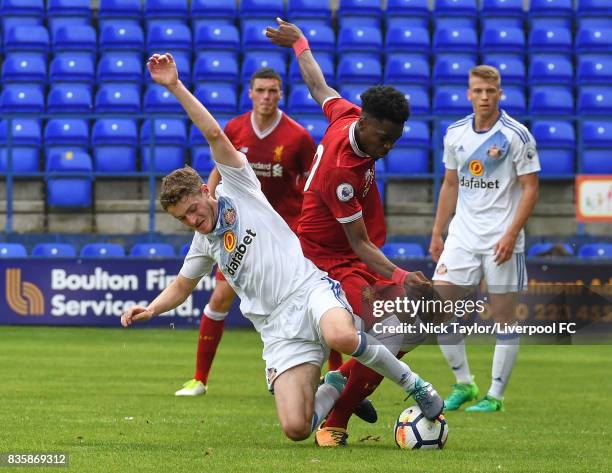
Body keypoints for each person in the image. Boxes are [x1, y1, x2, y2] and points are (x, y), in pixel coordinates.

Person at [121, 53, 443, 443]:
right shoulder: (203, 242)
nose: (192, 220)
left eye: (192, 210)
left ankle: (417, 386)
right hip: (276, 329)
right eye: (182, 220)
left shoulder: (238, 186)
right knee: (296, 429)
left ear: (206, 190)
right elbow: (181, 287)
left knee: (343, 337)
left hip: (309, 289)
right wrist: (151, 308)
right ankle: (337, 384)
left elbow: (213, 135)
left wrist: (174, 86)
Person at [266, 19, 443, 446]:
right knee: (394, 326)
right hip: (325, 261)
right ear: (366, 124)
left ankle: (342, 380)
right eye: (384, 138)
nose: (387, 148)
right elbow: (359, 244)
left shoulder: (345, 114)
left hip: (345, 253)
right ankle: (334, 413)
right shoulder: (341, 172)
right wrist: (403, 276)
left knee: (413, 323)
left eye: (395, 140)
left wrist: (300, 44)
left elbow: (318, 87)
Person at [175, 67, 344, 397]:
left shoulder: (296, 136)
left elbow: (313, 180)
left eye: (273, 91)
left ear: (281, 94)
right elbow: (217, 169)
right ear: (250, 93)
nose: (267, 96)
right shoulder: (236, 128)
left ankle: (336, 372)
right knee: (221, 295)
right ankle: (199, 378)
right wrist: (208, 204)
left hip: (288, 234)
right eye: (261, 90)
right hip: (240, 230)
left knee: (314, 299)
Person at [429, 65, 540, 413]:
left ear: (500, 94)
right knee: (437, 309)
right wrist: (437, 230)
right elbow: (450, 183)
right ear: (469, 93)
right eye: (477, 91)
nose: (484, 97)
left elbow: (531, 189)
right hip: (462, 234)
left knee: (503, 316)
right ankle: (465, 384)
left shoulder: (516, 135)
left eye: (490, 91)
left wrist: (511, 234)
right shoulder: (455, 133)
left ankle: (495, 396)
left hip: (501, 239)